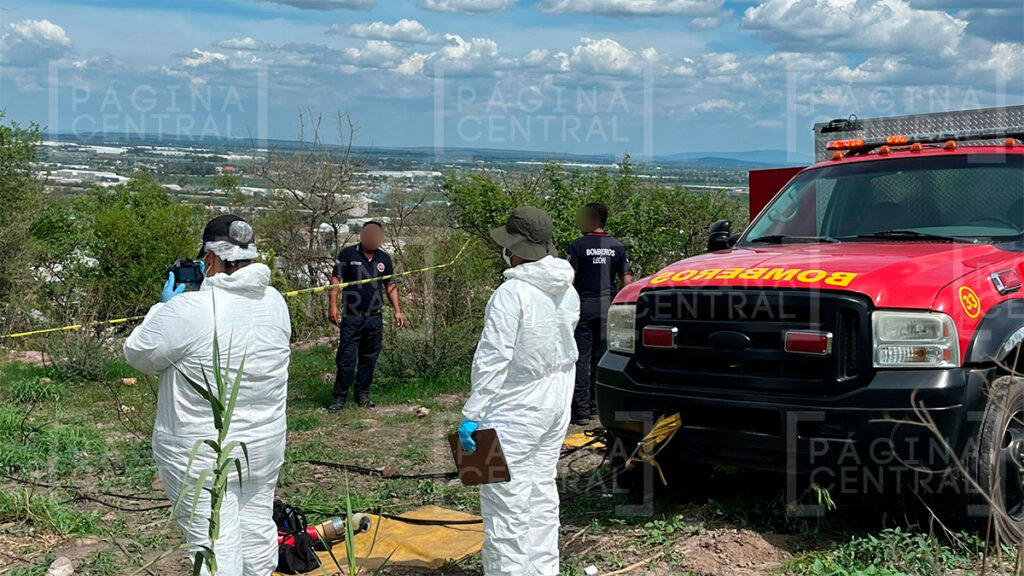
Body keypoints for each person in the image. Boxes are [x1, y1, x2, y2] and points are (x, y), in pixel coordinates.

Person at [124, 215, 291, 576]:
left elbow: (139, 353)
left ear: (210, 260)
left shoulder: (190, 310)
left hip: (201, 452)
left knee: (213, 544)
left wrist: (166, 306)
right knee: (257, 528)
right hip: (263, 445)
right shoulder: (276, 302)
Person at [458, 206, 580, 576]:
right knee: (541, 496)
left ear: (516, 247)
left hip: (512, 411)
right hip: (555, 407)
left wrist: (472, 414)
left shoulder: (511, 294)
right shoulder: (566, 290)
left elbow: (493, 358)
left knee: (503, 510)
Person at [328, 221, 405, 411]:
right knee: (346, 358)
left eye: (376, 235)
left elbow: (390, 285)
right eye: (368, 234)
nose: (372, 238)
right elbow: (335, 279)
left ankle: (363, 394)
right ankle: (339, 398)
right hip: (352, 317)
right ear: (362, 236)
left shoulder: (384, 259)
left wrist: (398, 309)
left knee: (369, 358)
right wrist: (332, 306)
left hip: (374, 317)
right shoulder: (348, 254)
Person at [567, 203, 633, 426]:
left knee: (580, 358)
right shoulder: (616, 246)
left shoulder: (578, 246)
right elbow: (627, 280)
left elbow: (570, 279)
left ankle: (582, 412)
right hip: (609, 307)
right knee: (602, 358)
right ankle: (596, 408)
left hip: (584, 307)